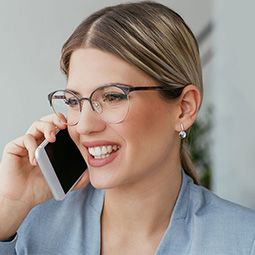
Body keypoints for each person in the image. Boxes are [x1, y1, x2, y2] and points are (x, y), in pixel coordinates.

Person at [0, 1, 255, 254]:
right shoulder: (27, 228)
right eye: (73, 101)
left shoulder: (243, 242)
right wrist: (7, 209)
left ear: (184, 108)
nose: (85, 126)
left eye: (112, 97)